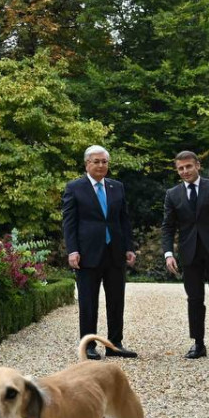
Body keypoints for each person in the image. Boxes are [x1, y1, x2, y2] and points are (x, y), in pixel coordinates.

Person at [161, 151, 209, 360]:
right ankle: (198, 344)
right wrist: (169, 253)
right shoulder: (172, 194)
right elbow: (168, 227)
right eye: (181, 168)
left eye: (188, 166)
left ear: (197, 165)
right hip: (189, 253)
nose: (185, 171)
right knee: (194, 300)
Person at [63, 145, 137, 360]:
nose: (101, 165)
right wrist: (72, 250)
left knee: (116, 300)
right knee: (88, 302)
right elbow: (69, 223)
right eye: (96, 161)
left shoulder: (117, 187)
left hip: (115, 252)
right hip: (87, 253)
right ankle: (88, 345)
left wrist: (129, 247)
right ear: (87, 164)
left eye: (104, 161)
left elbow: (124, 220)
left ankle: (115, 344)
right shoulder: (74, 188)